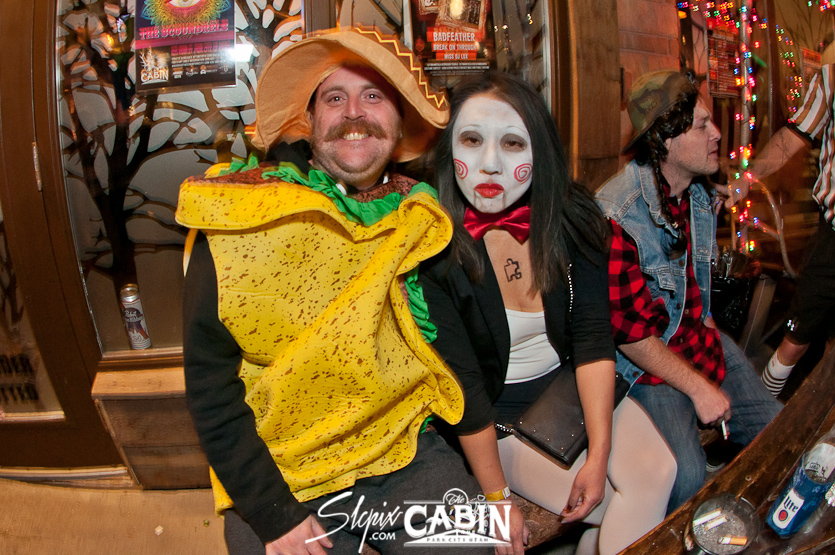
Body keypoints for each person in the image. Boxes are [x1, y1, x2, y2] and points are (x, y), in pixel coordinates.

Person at [176, 28, 494, 555]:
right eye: (334, 98)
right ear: (311, 120)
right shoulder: (242, 211)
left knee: (472, 546)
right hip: (281, 470)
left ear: (399, 124)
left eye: (373, 95)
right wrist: (273, 513)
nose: (354, 113)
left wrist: (496, 495)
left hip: (400, 453)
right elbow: (209, 384)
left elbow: (456, 351)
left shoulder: (414, 214)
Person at [420, 70, 677, 555]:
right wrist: (497, 499)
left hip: (567, 390)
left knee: (658, 473)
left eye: (513, 143)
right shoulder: (432, 245)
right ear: (448, 149)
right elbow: (464, 388)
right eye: (472, 140)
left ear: (539, 152)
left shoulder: (572, 215)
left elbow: (592, 335)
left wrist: (599, 453)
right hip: (496, 416)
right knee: (605, 506)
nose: (490, 164)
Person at [595, 70, 782, 514]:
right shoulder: (617, 214)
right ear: (665, 140)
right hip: (647, 362)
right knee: (685, 475)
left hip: (697, 338)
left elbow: (692, 285)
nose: (716, 133)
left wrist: (713, 336)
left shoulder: (696, 193)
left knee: (780, 431)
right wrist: (700, 389)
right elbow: (631, 336)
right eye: (702, 125)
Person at [722, 62, 835, 398]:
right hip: (833, 238)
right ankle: (764, 411)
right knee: (796, 339)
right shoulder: (831, 79)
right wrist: (748, 177)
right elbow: (792, 137)